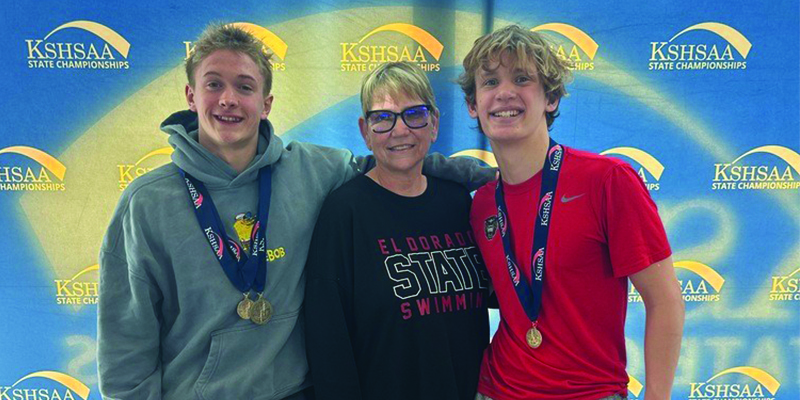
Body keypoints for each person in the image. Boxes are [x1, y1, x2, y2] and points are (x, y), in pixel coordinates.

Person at [97, 24, 492, 400]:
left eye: (244, 86)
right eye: (213, 83)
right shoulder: (146, 203)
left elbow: (393, 159)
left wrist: (489, 176)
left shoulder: (312, 170)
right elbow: (126, 349)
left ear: (266, 103)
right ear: (190, 96)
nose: (228, 99)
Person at [458, 25, 685, 400]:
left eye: (522, 78)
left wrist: (657, 395)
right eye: (490, 82)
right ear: (472, 104)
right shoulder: (482, 203)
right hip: (497, 390)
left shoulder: (608, 180)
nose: (504, 93)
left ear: (550, 98)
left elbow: (664, 300)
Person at [303, 62, 490, 400]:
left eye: (414, 114)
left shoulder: (458, 202)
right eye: (383, 118)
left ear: (433, 124)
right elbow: (329, 341)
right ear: (365, 131)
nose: (400, 130)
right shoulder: (344, 211)